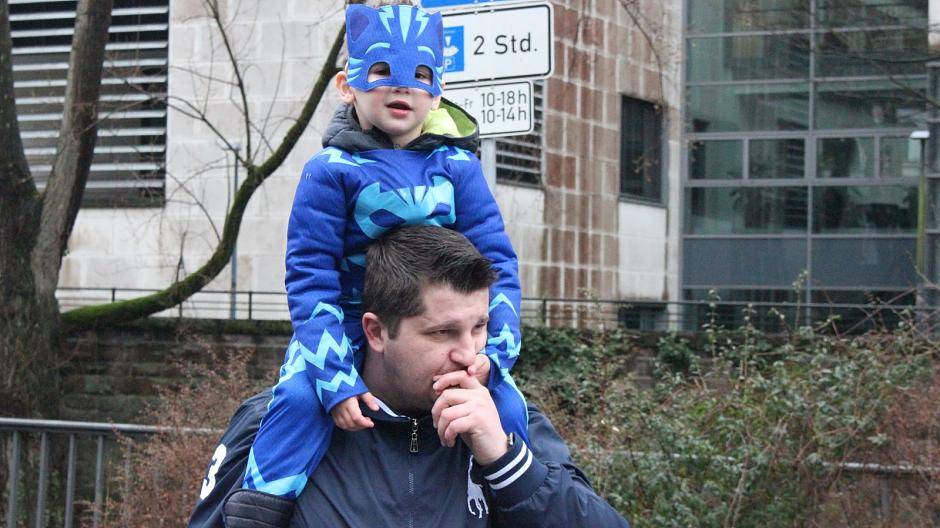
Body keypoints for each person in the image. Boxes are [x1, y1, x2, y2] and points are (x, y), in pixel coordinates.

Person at [232, 3, 528, 525]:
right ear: (347, 86)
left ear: (437, 92)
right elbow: (310, 275)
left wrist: (495, 354)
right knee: (297, 402)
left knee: (507, 407)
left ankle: (518, 502)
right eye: (382, 72)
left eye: (420, 76)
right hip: (344, 328)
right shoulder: (329, 171)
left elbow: (496, 262)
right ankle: (258, 508)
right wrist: (334, 378)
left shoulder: (458, 166)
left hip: (433, 327)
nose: (402, 87)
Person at [189, 226, 630, 527]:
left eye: (479, 327)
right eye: (442, 332)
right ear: (376, 332)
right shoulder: (278, 422)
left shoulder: (513, 423)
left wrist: (507, 465)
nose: (469, 354)